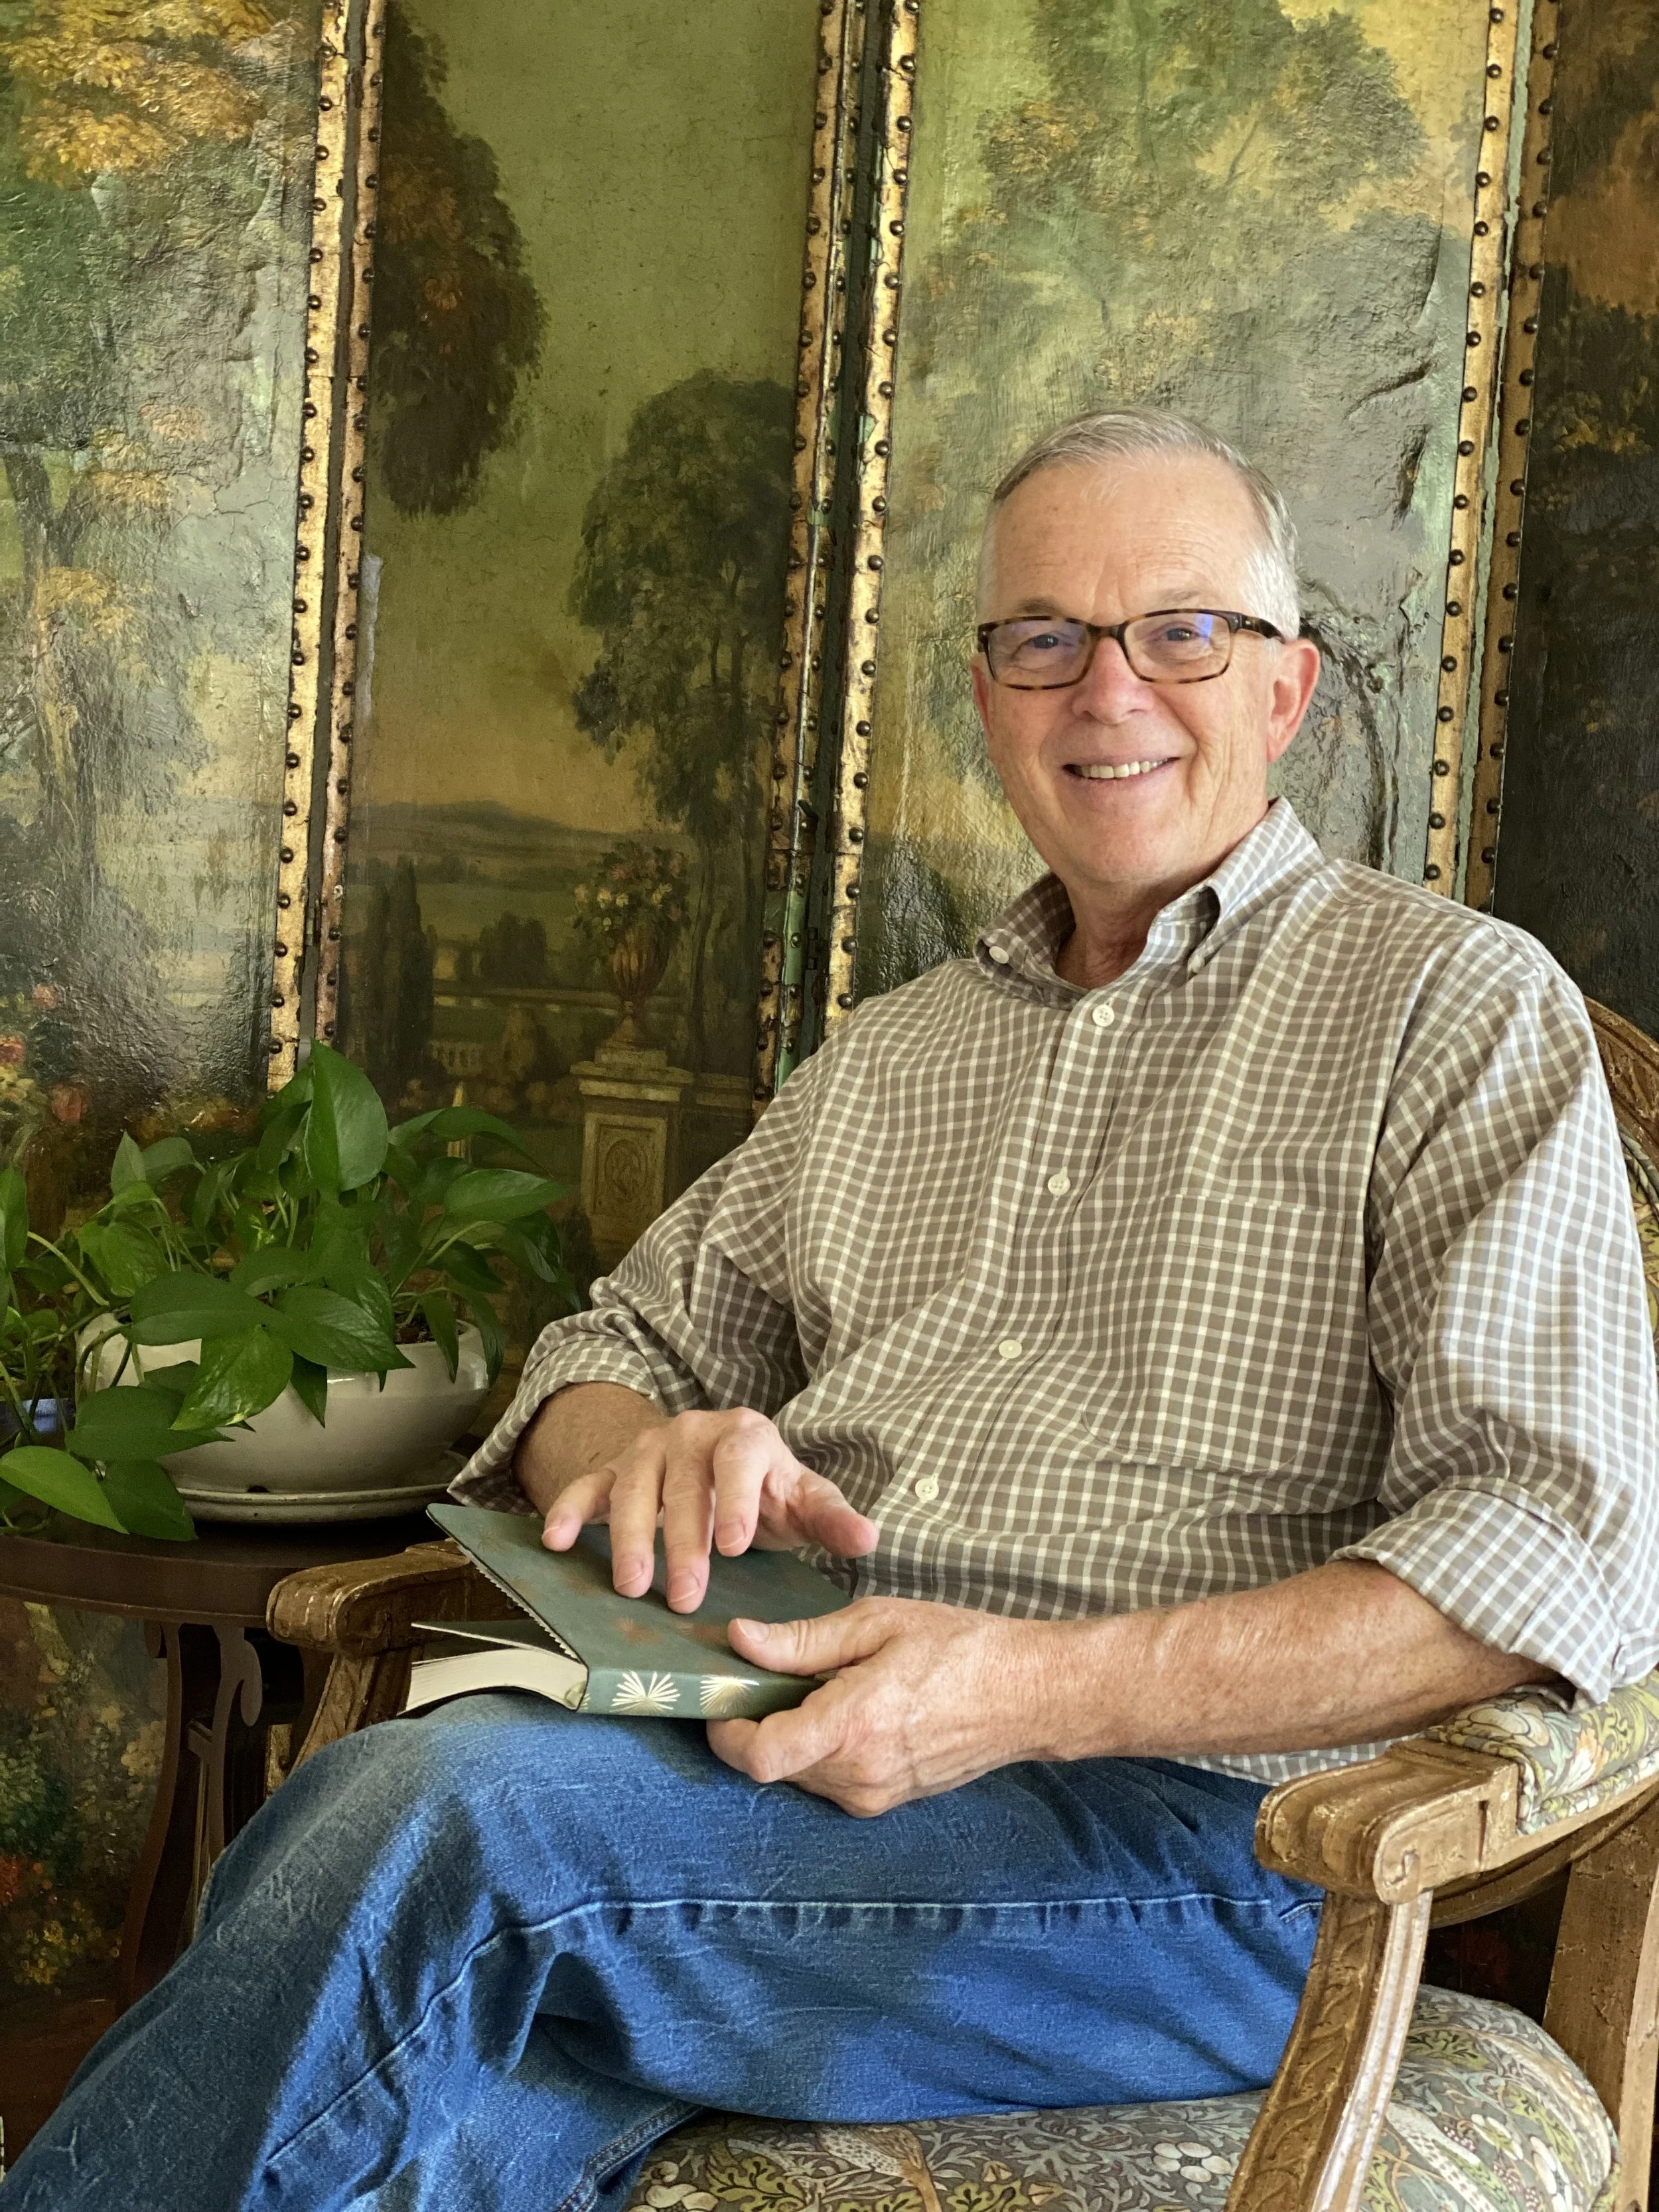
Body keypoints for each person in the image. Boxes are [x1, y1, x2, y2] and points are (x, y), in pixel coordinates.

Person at [7, 409, 1657, 2212]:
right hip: (779, 1773)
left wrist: (1025, 1687)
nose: (1107, 691)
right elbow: (598, 1352)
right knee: (444, 2131)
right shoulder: (892, 1056)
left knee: (442, 1814)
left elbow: (1544, 1541)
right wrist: (645, 1449)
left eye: (1181, 631)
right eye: (1045, 638)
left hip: (1208, 1855)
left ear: (1287, 693)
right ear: (986, 696)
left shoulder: (1452, 1007)